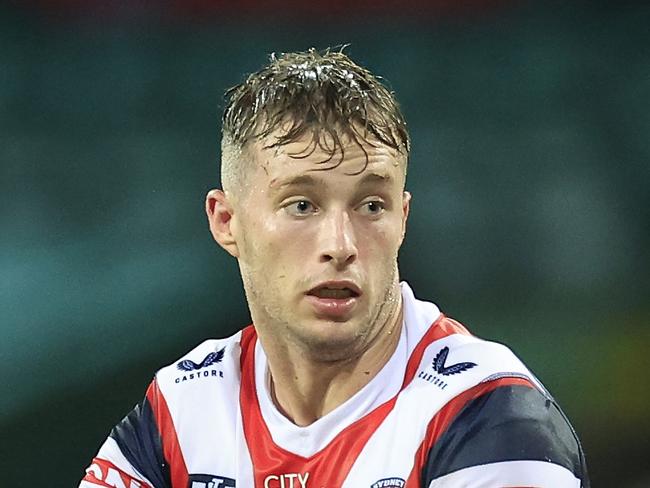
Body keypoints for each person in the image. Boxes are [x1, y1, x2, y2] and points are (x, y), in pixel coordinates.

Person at [80, 48, 590, 488]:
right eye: (302, 205)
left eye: (371, 206)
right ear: (227, 221)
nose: (341, 245)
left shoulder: (486, 416)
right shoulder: (186, 409)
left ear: (403, 219)